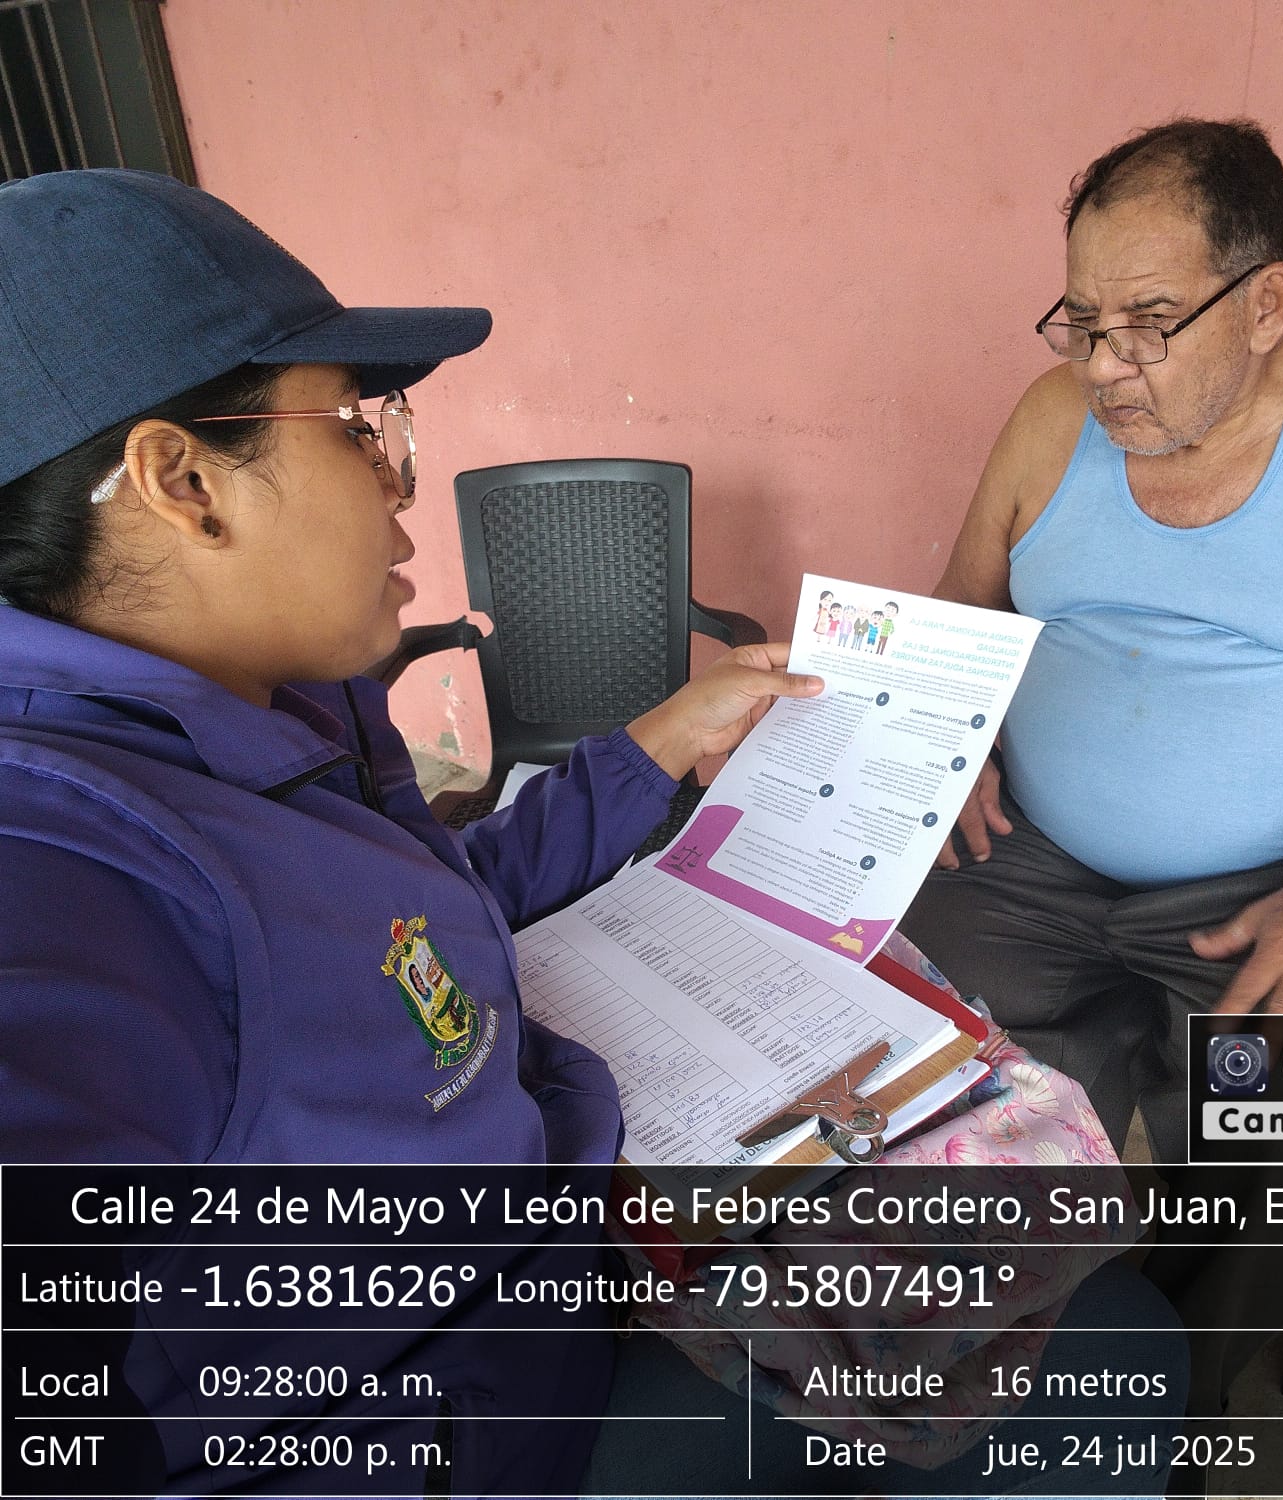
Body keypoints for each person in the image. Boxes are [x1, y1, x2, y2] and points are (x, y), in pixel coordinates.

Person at [0, 168, 1186, 1499]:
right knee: (1121, 1365)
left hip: (599, 1248)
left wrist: (657, 743)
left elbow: (428, 908)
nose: (399, 483)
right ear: (183, 483)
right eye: (356, 428)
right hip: (503, 1432)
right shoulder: (72, 866)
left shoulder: (278, 703)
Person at [902, 117, 1283, 1162]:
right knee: (902, 1085)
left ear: (1265, 304)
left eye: (1149, 321)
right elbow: (962, 608)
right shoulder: (1050, 418)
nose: (1102, 366)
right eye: (1082, 321)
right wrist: (951, 738)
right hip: (1027, 863)